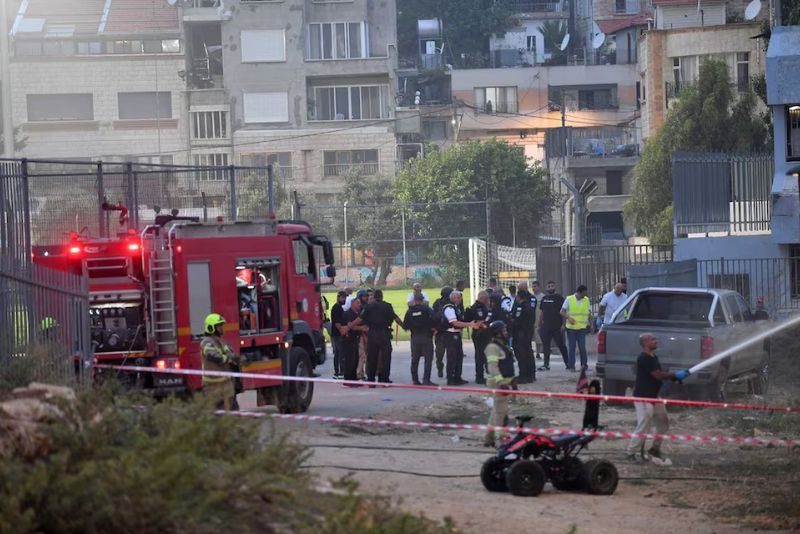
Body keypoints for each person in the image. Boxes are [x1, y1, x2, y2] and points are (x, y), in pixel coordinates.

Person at [626, 333, 689, 465]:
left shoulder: (654, 357)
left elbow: (658, 376)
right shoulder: (643, 358)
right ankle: (630, 453)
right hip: (643, 398)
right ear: (644, 343)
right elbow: (657, 375)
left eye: (655, 339)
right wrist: (674, 376)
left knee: (663, 423)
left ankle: (655, 449)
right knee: (644, 424)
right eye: (652, 339)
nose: (655, 341)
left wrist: (671, 380)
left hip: (654, 397)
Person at [349, 289, 403, 384]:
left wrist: (351, 325)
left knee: (372, 357)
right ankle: (384, 379)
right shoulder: (387, 306)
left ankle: (371, 379)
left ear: (374, 296)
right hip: (384, 333)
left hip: (373, 333)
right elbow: (396, 318)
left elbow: (360, 318)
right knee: (386, 357)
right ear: (382, 296)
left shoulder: (369, 307)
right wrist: (405, 326)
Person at [483, 320, 516, 447]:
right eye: (504, 330)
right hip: (496, 384)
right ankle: (502, 438)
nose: (506, 332)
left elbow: (507, 365)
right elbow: (493, 367)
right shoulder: (492, 348)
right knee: (501, 412)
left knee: (497, 412)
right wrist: (501, 382)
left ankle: (489, 439)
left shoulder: (503, 346)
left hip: (504, 383)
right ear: (497, 333)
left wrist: (512, 381)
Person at [200, 313, 241, 410]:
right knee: (217, 416)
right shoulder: (206, 342)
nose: (221, 329)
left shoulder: (222, 342)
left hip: (227, 386)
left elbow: (231, 355)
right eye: (219, 326)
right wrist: (227, 359)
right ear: (211, 328)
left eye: (221, 326)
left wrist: (237, 360)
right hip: (213, 388)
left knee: (234, 413)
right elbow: (211, 355)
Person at [442, 290, 481, 385]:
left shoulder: (456, 308)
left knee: (459, 356)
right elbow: (454, 322)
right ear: (453, 298)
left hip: (456, 334)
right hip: (450, 335)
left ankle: (458, 377)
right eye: (458, 297)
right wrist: (470, 324)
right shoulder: (449, 308)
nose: (460, 299)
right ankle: (450, 379)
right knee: (452, 357)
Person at [403, 293, 437, 385]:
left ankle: (415, 379)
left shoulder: (410, 311)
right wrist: (432, 327)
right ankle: (426, 379)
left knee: (415, 359)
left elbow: (405, 325)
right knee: (428, 359)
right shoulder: (426, 309)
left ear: (414, 300)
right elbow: (435, 318)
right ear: (423, 300)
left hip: (415, 336)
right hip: (426, 336)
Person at [538, 281, 569, 371]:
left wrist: (563, 324)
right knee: (546, 346)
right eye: (549, 286)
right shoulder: (544, 298)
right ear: (546, 288)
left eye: (552, 286)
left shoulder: (559, 298)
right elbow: (542, 312)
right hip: (546, 326)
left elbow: (564, 312)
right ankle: (546, 364)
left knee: (561, 345)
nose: (550, 288)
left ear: (555, 287)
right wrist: (539, 325)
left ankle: (567, 363)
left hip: (557, 327)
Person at [560, 285, 592, 371]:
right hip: (571, 328)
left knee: (582, 347)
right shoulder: (569, 299)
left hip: (582, 328)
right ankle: (571, 366)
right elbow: (562, 311)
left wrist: (591, 324)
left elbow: (589, 313)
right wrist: (569, 318)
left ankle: (584, 365)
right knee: (572, 347)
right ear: (580, 292)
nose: (586, 294)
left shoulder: (586, 300)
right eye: (585, 292)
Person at [510, 287, 536, 383]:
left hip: (520, 334)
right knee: (529, 354)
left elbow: (517, 320)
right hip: (528, 333)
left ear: (519, 297)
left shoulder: (520, 307)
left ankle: (523, 375)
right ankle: (531, 375)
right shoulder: (530, 306)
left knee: (521, 355)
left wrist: (510, 320)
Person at [465, 290, 491, 384]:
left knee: (485, 355)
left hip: (486, 334)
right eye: (487, 298)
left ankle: (485, 372)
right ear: (483, 298)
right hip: (479, 334)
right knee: (480, 355)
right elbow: (476, 321)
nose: (488, 300)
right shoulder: (475, 308)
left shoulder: (485, 307)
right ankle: (479, 376)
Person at [341, 297, 367, 382]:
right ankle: (348, 378)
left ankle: (354, 377)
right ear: (352, 304)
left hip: (357, 338)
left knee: (355, 358)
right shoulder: (348, 313)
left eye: (359, 303)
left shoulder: (358, 313)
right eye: (357, 303)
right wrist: (362, 328)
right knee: (349, 359)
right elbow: (350, 326)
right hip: (349, 339)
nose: (359, 305)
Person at [432, 286, 454, 379]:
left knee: (439, 354)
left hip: (439, 332)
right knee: (451, 354)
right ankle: (449, 372)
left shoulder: (437, 302)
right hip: (448, 332)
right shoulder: (450, 304)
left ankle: (440, 367)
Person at [329, 290, 347, 379]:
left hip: (335, 334)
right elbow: (337, 323)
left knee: (337, 353)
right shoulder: (337, 308)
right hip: (337, 334)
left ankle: (337, 371)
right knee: (341, 353)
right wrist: (343, 332)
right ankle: (341, 371)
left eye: (345, 298)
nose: (344, 299)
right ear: (339, 297)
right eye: (343, 297)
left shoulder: (338, 307)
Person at [531, 281, 546, 360]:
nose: (533, 288)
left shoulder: (543, 297)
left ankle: (539, 352)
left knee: (540, 337)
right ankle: (536, 352)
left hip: (540, 319)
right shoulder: (531, 297)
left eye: (535, 286)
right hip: (532, 320)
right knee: (534, 337)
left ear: (539, 287)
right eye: (532, 286)